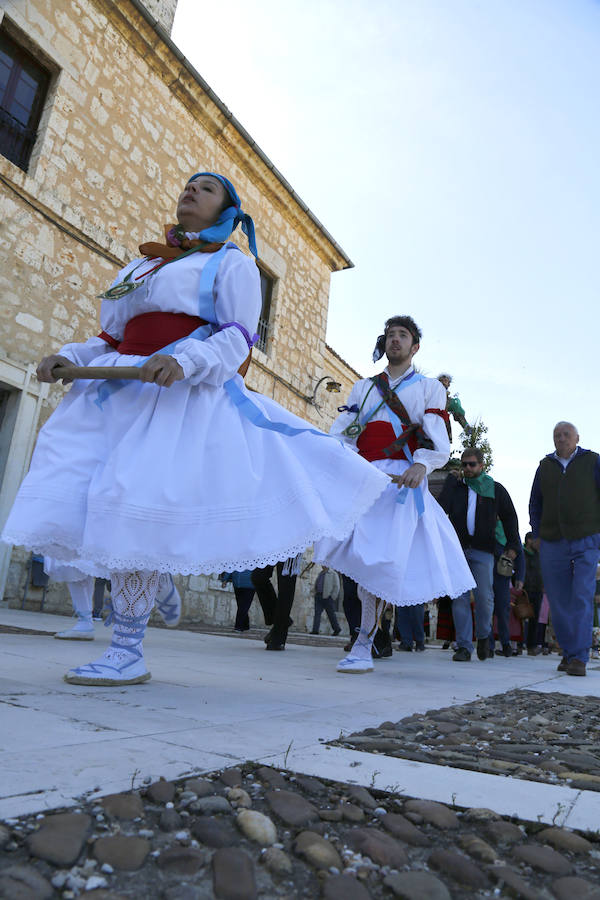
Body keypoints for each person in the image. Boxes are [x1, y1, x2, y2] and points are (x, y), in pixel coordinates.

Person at [2, 172, 388, 686]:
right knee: (84, 497)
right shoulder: (142, 265)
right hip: (117, 396)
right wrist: (68, 356)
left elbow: (236, 338)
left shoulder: (232, 264)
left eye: (206, 188)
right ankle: (152, 580)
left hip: (175, 398)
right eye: (188, 185)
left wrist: (185, 363)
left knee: (131, 502)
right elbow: (111, 336)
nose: (191, 191)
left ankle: (126, 650)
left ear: (227, 209)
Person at [314, 316, 475, 673]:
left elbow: (436, 437)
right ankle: (367, 637)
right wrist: (339, 460)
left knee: (376, 563)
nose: (395, 340)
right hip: (364, 479)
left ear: (415, 347)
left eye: (403, 335)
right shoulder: (364, 388)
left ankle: (363, 643)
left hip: (398, 483)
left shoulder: (430, 388)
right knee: (358, 566)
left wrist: (422, 465)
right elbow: (345, 432)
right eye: (390, 335)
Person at [529, 421, 600, 676]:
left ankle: (579, 658)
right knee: (558, 602)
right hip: (552, 541)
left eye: (566, 434)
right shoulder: (545, 466)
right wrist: (536, 535)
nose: (561, 438)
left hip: (586, 539)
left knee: (581, 596)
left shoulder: (593, 461)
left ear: (577, 437)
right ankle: (569, 652)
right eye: (557, 435)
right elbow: (535, 504)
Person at [438, 448, 520, 662]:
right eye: (464, 464)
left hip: (484, 550)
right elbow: (441, 508)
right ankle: (464, 646)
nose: (467, 468)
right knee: (460, 599)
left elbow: (510, 517)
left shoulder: (494, 489)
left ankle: (484, 637)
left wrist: (513, 545)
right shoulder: (456, 487)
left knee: (485, 598)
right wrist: (449, 481)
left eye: (472, 464)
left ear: (481, 466)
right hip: (458, 549)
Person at [252, 557, 299, 651]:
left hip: (293, 544)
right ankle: (283, 621)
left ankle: (279, 637)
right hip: (272, 543)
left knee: (286, 586)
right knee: (258, 577)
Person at [489, 537, 525, 657]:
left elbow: (520, 555)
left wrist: (520, 577)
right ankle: (488, 645)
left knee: (503, 610)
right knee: (486, 609)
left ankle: (505, 643)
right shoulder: (488, 525)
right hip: (486, 573)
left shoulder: (510, 532)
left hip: (503, 578)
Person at [522, 531, 544, 655]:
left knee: (534, 619)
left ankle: (531, 645)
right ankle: (518, 644)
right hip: (525, 589)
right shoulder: (522, 553)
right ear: (529, 540)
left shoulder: (538, 555)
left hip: (537, 589)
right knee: (520, 616)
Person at [437, 374, 471, 441]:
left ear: (448, 384)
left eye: (445, 381)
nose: (443, 383)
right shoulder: (433, 394)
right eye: (441, 381)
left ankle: (467, 428)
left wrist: (466, 426)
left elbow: (457, 412)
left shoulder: (449, 400)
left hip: (444, 425)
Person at [311, 565, 341, 635]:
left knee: (331, 614)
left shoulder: (333, 574)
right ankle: (315, 630)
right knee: (317, 613)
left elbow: (337, 587)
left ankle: (337, 629)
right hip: (318, 596)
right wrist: (315, 592)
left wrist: (332, 597)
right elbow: (317, 583)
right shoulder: (321, 573)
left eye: (324, 563)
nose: (322, 565)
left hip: (328, 597)